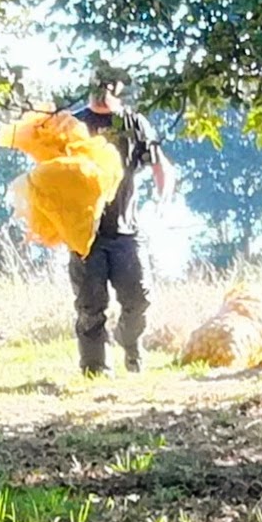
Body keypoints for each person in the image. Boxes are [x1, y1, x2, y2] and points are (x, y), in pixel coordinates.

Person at [67, 65, 173, 375]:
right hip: (85, 233)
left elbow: (161, 165)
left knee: (139, 299)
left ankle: (129, 343)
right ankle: (95, 369)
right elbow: (50, 172)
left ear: (119, 88)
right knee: (90, 305)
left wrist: (163, 198)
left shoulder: (134, 123)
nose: (104, 90)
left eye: (110, 85)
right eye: (99, 84)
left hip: (126, 230)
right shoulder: (72, 124)